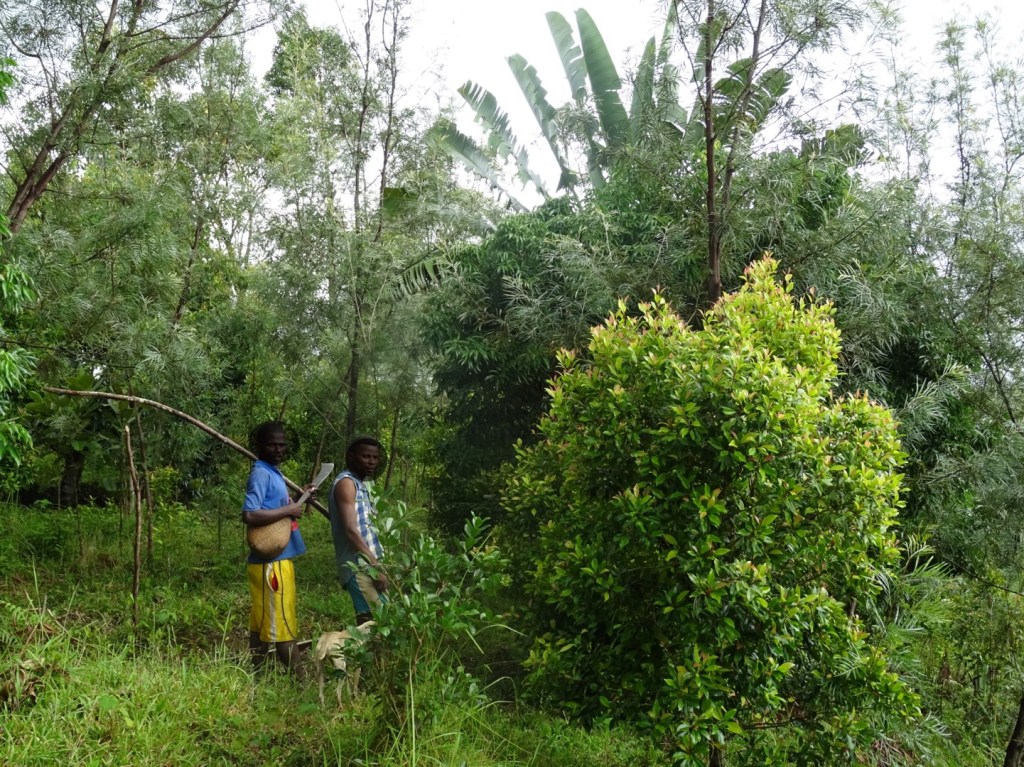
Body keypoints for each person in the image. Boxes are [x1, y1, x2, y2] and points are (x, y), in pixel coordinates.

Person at [242, 421, 314, 672]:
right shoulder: (261, 473)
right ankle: (300, 680)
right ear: (260, 446)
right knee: (283, 626)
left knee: (262, 623)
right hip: (272, 564)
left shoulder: (274, 472)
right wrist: (289, 510)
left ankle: (257, 676)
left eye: (282, 445)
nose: (278, 449)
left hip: (274, 560)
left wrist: (300, 498)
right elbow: (250, 514)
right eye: (272, 445)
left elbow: (277, 508)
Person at [328, 436, 386, 626]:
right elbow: (351, 530)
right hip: (359, 565)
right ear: (351, 457)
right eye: (366, 456)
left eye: (375, 457)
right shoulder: (346, 483)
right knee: (377, 622)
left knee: (373, 623)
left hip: (368, 563)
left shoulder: (362, 485)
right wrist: (375, 565)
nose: (371, 461)